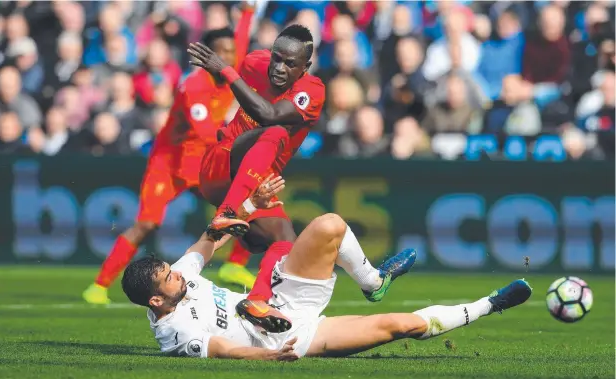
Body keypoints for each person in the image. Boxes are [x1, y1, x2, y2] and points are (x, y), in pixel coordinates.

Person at [121, 176, 533, 361]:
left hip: (279, 301)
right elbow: (224, 350)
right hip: (287, 339)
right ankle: (490, 304)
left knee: (331, 225)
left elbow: (209, 240)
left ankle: (373, 281)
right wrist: (267, 360)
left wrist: (251, 206)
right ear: (157, 299)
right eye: (170, 277)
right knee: (399, 326)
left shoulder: (176, 278)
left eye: (171, 269)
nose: (178, 273)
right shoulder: (175, 333)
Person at [83, 4, 257, 305]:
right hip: (169, 164)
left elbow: (239, 41)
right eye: (221, 52)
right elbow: (206, 133)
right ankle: (98, 286)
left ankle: (235, 264)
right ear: (207, 56)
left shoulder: (230, 67)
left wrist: (247, 13)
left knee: (248, 199)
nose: (228, 57)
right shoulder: (194, 89)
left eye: (231, 52)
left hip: (202, 163)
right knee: (146, 224)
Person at [186, 24, 327, 324]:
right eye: (277, 59)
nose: (279, 68)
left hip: (249, 183)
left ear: (306, 67)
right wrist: (217, 70)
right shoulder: (253, 63)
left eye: (290, 64)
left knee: (285, 239)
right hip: (219, 163)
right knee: (276, 133)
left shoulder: (312, 91)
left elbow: (270, 113)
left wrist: (225, 71)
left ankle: (257, 301)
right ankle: (226, 213)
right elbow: (223, 77)